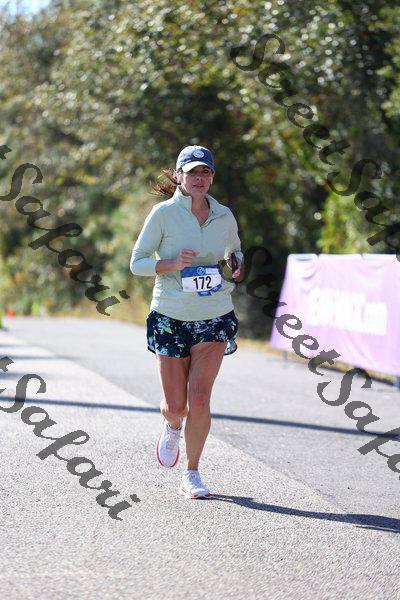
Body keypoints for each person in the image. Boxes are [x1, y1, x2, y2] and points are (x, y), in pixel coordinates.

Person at [130, 145, 244, 499]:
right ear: (179, 176)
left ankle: (192, 473)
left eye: (205, 172)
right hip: (171, 315)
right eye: (192, 171)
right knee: (177, 405)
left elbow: (234, 251)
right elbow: (137, 262)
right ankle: (172, 423)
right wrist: (171, 263)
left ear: (212, 177)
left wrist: (237, 265)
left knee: (201, 396)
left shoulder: (223, 215)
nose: (199, 178)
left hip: (213, 314)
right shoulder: (163, 214)